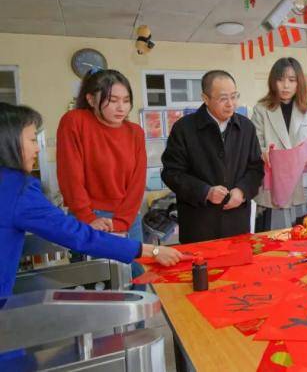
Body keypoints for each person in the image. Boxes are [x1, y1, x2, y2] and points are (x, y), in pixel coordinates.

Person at [0, 102, 181, 297]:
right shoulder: (16, 188)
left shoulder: (134, 133)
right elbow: (74, 234)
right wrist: (151, 251)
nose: (37, 149)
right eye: (32, 140)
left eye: (126, 100)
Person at [56, 69, 147, 286]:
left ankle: (137, 323)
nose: (121, 107)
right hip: (91, 217)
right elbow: (70, 176)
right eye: (113, 100)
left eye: (126, 100)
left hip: (128, 216)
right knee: (99, 286)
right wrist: (87, 218)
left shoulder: (135, 132)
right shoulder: (75, 121)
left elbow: (137, 181)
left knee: (135, 280)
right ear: (90, 99)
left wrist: (122, 221)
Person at [161, 70, 264, 243]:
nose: (231, 104)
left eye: (234, 96)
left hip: (236, 225)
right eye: (223, 98)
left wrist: (242, 191)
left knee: (238, 268)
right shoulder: (184, 129)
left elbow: (255, 168)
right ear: (205, 98)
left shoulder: (246, 127)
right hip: (199, 226)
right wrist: (205, 192)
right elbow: (171, 173)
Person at [252, 57, 307, 230]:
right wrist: (263, 152)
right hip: (273, 181)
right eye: (280, 79)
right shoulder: (262, 109)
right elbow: (255, 142)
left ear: (299, 83)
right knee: (271, 241)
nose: (285, 86)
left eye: (291, 80)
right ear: (272, 82)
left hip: (299, 181)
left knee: (300, 238)